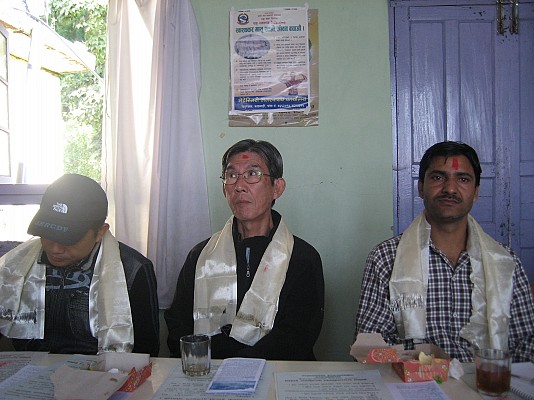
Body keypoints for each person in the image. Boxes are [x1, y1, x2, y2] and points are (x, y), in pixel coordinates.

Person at [354, 141, 534, 362]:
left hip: (486, 380)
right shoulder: (385, 258)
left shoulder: (505, 262)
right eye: (438, 177)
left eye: (463, 179)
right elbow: (370, 348)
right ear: (421, 187)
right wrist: (424, 367)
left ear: (476, 192)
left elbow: (527, 345)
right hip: (414, 380)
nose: (450, 188)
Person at [165, 139, 324, 360]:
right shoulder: (201, 257)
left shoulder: (302, 258)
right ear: (224, 189)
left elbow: (298, 336)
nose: (239, 186)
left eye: (252, 174)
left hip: (277, 371)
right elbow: (179, 327)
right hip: (209, 371)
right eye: (231, 176)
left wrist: (239, 363)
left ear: (277, 187)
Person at [0, 174, 160, 356]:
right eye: (47, 235)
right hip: (29, 367)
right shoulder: (15, 265)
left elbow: (145, 350)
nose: (55, 249)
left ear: (100, 232)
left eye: (68, 239)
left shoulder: (132, 269)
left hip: (98, 369)